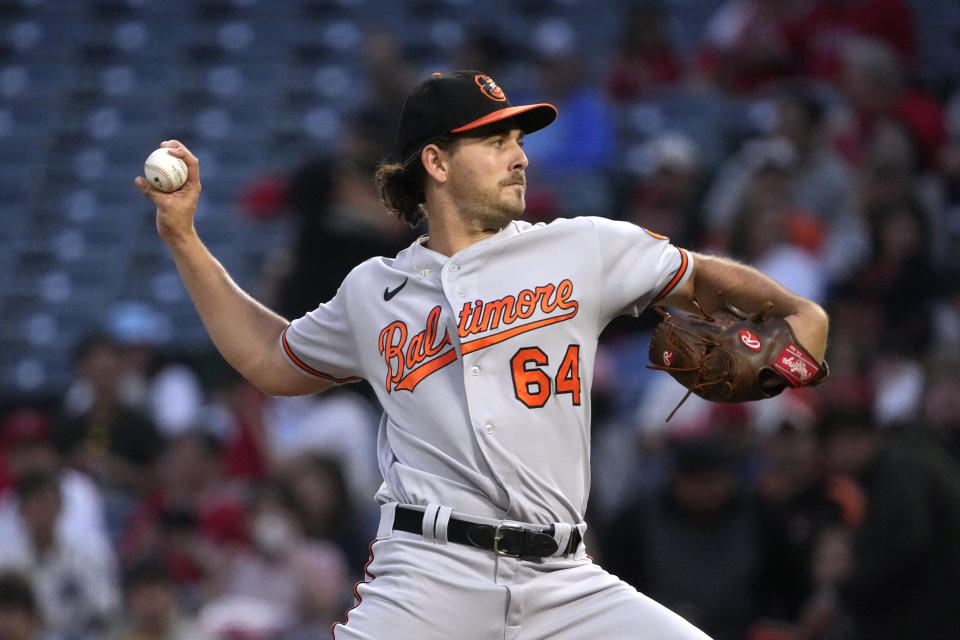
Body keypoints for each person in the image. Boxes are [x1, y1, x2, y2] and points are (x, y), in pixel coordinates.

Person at [135, 69, 829, 640]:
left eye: (518, 139)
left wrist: (801, 316)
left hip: (564, 580)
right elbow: (270, 358)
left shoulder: (580, 246)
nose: (520, 155)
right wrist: (185, 240)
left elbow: (701, 276)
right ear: (435, 161)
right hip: (428, 576)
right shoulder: (375, 290)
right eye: (494, 140)